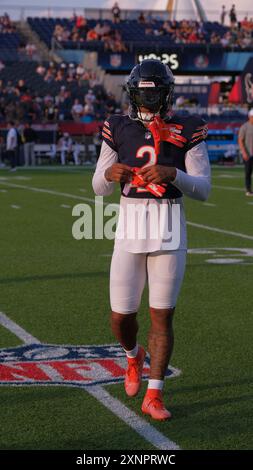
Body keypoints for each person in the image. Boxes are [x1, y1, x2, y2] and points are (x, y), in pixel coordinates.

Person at [92, 59, 211, 420]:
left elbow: (204, 189)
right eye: (143, 94)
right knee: (119, 317)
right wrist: (109, 174)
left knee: (162, 316)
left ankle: (154, 394)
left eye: (155, 93)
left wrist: (172, 172)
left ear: (167, 93)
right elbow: (98, 187)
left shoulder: (188, 127)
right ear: (132, 94)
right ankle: (133, 356)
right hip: (129, 226)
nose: (148, 101)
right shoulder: (117, 125)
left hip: (169, 225)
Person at [238, 109, 253, 196]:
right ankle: (248, 190)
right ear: (250, 117)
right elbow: (240, 140)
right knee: (248, 172)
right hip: (248, 154)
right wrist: (243, 152)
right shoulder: (244, 127)